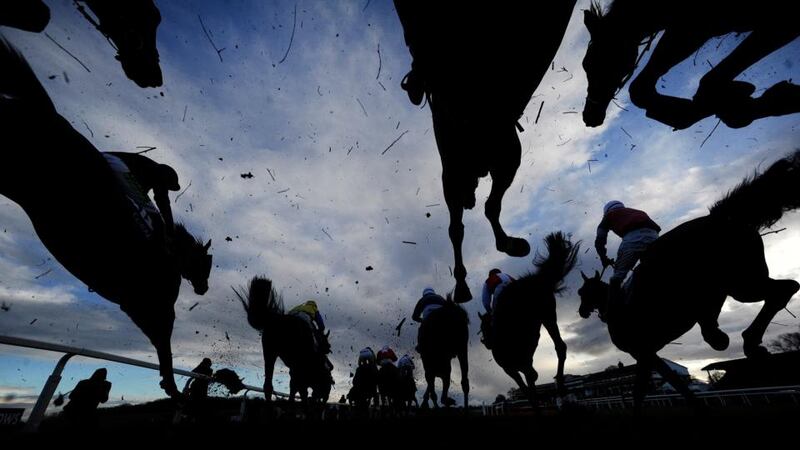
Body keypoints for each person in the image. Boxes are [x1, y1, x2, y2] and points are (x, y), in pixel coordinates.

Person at [594, 200, 661, 303]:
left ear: (606, 211)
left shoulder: (609, 215)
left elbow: (600, 240)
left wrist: (603, 258)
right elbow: (657, 228)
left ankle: (613, 312)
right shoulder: (639, 212)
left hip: (633, 238)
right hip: (655, 237)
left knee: (617, 277)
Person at [103, 151, 181, 236]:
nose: (167, 189)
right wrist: (169, 227)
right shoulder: (162, 172)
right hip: (115, 162)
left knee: (143, 207)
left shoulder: (145, 179)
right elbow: (162, 200)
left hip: (112, 161)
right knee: (154, 216)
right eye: (168, 186)